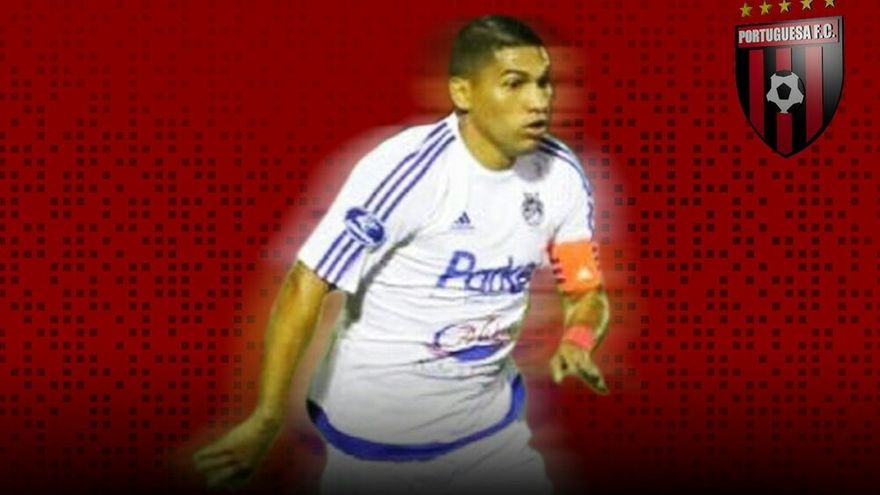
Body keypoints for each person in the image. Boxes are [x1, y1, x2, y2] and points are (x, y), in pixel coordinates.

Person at [192, 14, 610, 495]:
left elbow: (586, 291)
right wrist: (267, 417)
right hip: (375, 444)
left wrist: (578, 337)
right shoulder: (407, 173)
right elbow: (305, 284)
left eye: (543, 83)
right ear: (462, 92)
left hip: (490, 436)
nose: (538, 101)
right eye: (514, 84)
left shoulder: (560, 176)